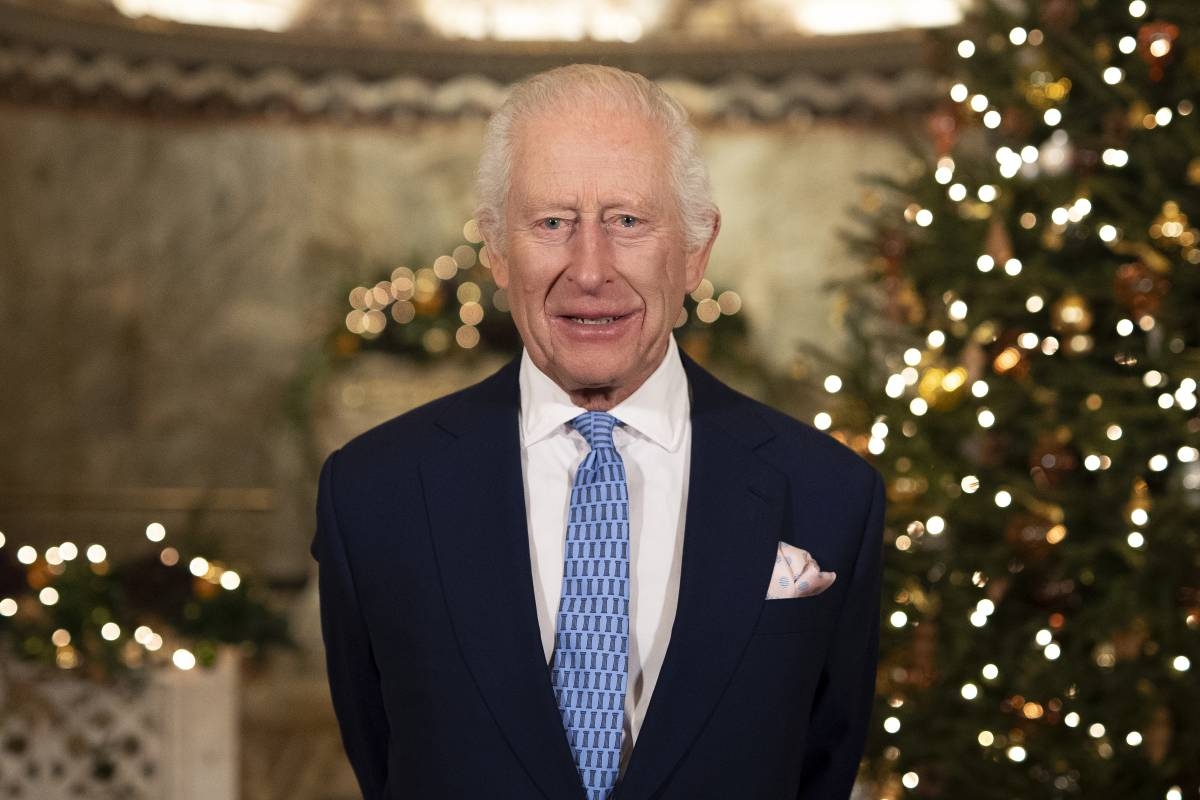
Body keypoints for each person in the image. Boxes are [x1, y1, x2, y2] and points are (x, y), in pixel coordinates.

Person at [311, 63, 885, 800]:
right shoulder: (372, 495)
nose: (590, 270)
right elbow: (383, 756)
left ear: (696, 249)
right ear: (495, 248)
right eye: (552, 223)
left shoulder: (831, 496)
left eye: (628, 221)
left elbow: (821, 764)